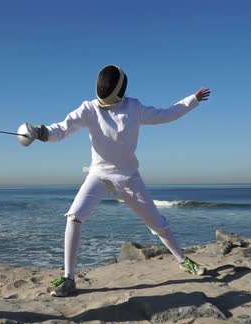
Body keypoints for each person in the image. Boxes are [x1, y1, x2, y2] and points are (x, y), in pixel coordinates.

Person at [18, 64, 211, 297]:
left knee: (157, 224)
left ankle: (183, 260)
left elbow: (165, 115)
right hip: (99, 175)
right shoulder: (89, 109)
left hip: (128, 177)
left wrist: (193, 99)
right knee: (74, 216)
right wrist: (40, 132)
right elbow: (61, 130)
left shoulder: (133, 107)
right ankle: (69, 278)